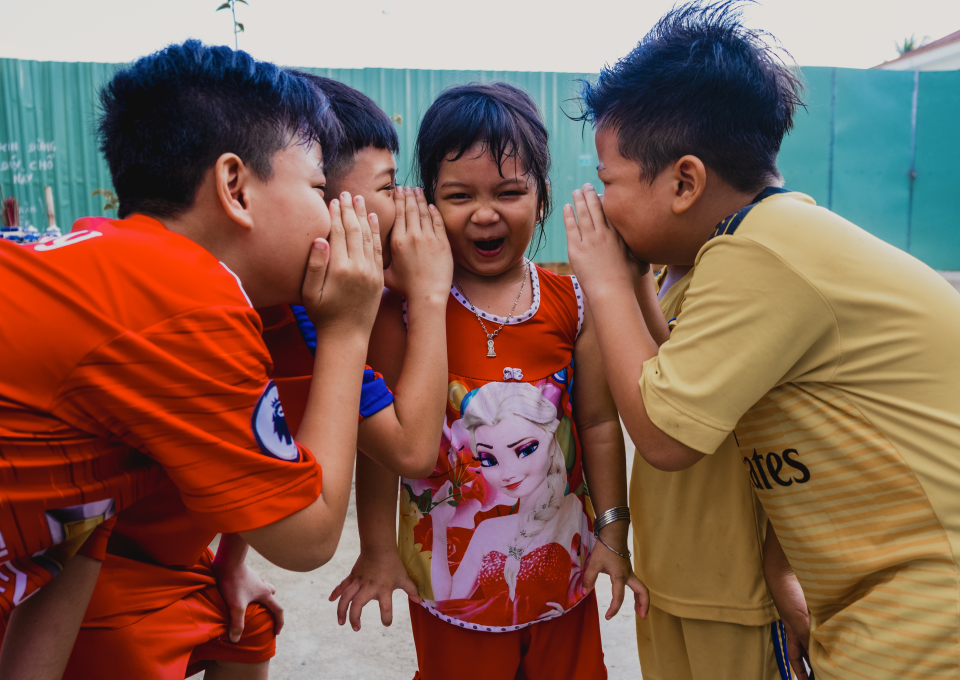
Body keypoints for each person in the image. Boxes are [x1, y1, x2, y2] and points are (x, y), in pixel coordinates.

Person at [563, 3, 960, 680]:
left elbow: (664, 433)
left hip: (921, 608)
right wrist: (631, 285)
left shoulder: (760, 254)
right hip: (881, 595)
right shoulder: (769, 239)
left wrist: (602, 281)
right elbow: (679, 377)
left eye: (609, 181)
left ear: (684, 182)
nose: (600, 204)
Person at [0, 40, 384, 680]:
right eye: (320, 188)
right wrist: (346, 328)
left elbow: (77, 534)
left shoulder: (108, 265)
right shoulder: (191, 309)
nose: (333, 217)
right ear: (235, 187)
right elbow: (309, 536)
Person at [333, 82, 648, 680]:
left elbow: (598, 424)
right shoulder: (408, 310)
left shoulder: (572, 302)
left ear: (542, 197)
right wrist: (377, 550)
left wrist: (613, 534)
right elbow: (381, 444)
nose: (485, 213)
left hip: (563, 577)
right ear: (427, 203)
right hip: (454, 593)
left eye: (509, 192)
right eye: (459, 195)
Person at [631, 262, 788, 680]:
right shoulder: (658, 280)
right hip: (658, 575)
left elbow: (680, 394)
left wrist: (625, 282)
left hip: (736, 591)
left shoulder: (730, 280)